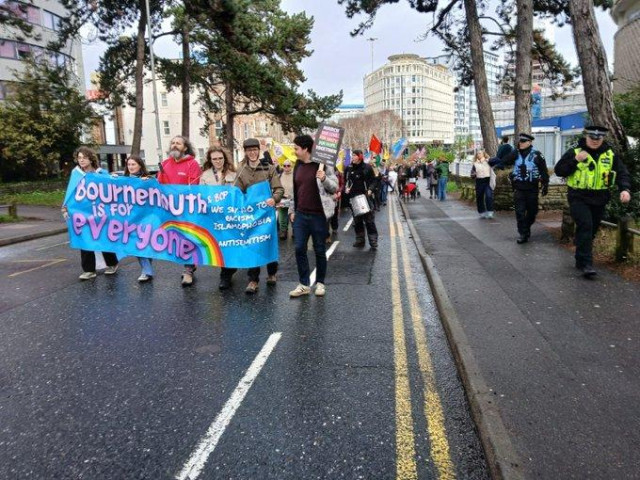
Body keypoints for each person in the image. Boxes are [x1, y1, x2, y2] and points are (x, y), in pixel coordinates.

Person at [554, 125, 632, 277]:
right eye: (592, 138)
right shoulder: (575, 151)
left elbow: (622, 173)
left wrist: (625, 189)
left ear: (602, 138)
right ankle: (587, 264)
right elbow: (559, 170)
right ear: (586, 137)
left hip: (600, 198)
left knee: (591, 230)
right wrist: (575, 160)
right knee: (586, 226)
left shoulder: (609, 154)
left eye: (599, 138)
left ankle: (580, 256)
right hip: (578, 197)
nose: (595, 141)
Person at [287, 134, 339, 298]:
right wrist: (292, 210)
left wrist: (324, 178)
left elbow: (334, 187)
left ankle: (320, 283)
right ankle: (304, 284)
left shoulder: (323, 164)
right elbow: (295, 191)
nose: (294, 151)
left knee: (319, 250)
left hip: (318, 216)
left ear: (305, 149)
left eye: (296, 148)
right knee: (299, 248)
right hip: (301, 215)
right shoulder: (298, 165)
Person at [233, 138, 284, 294]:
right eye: (249, 150)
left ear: (258, 151)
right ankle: (253, 280)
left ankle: (272, 273)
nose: (252, 153)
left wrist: (273, 198)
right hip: (250, 216)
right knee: (252, 245)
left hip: (267, 214)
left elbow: (279, 189)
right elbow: (236, 192)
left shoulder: (269, 168)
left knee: (269, 243)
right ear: (245, 152)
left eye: (255, 150)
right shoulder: (241, 170)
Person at [61, 147, 119, 280]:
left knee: (103, 238)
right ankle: (89, 270)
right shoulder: (76, 174)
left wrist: (114, 179)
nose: (81, 160)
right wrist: (65, 207)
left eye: (84, 158)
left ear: (91, 159)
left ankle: (112, 263)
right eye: (79, 158)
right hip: (82, 213)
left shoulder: (101, 173)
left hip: (100, 213)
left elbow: (111, 189)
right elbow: (71, 192)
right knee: (84, 239)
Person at [157, 135, 201, 286]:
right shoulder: (165, 164)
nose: (175, 145)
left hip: (186, 209)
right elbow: (159, 186)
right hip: (169, 210)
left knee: (187, 239)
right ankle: (191, 263)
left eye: (178, 143)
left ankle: (188, 271)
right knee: (177, 241)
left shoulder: (192, 164)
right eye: (173, 143)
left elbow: (194, 187)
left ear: (185, 148)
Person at [494, 133, 549, 244]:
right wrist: (497, 165)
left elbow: (544, 171)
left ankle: (526, 227)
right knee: (519, 212)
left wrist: (545, 184)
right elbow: (504, 161)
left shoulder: (537, 155)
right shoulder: (515, 154)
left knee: (532, 212)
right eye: (520, 141)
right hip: (519, 188)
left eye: (523, 141)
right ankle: (523, 234)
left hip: (532, 189)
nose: (521, 143)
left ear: (529, 142)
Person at [200, 147, 238, 290]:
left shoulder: (233, 175)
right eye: (214, 159)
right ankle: (226, 271)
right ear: (210, 160)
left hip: (230, 216)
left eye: (220, 158)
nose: (218, 161)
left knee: (229, 245)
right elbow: (201, 196)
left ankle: (226, 274)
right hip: (213, 217)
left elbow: (238, 194)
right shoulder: (204, 176)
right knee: (219, 246)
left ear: (225, 159)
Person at [124, 155, 154, 282]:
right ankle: (146, 270)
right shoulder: (123, 180)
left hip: (146, 218)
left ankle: (147, 269)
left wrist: (151, 182)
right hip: (130, 218)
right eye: (129, 164)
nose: (130, 167)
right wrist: (112, 180)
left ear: (140, 166)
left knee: (146, 244)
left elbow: (159, 192)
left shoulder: (147, 180)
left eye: (133, 164)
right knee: (136, 245)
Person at [344, 149, 378, 249]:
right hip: (353, 198)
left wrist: (371, 189)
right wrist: (346, 188)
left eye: (354, 155)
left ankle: (373, 241)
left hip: (365, 197)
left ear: (360, 156)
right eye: (352, 155)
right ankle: (360, 239)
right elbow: (347, 181)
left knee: (369, 221)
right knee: (357, 221)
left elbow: (375, 180)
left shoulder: (367, 167)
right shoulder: (348, 168)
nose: (352, 157)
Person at [471, 151, 495, 219]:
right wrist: (473, 175)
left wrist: (490, 159)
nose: (478, 154)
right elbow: (472, 174)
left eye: (480, 153)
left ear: (484, 154)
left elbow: (498, 160)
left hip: (487, 181)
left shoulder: (488, 162)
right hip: (479, 181)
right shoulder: (475, 164)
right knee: (479, 197)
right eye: (477, 153)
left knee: (488, 196)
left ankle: (490, 211)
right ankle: (482, 212)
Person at [276, 160, 294, 240]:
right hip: (282, 199)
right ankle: (283, 231)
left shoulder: (295, 175)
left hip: (292, 199)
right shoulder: (279, 175)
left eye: (288, 165)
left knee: (293, 216)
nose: (286, 167)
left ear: (291, 166)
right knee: (282, 217)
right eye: (284, 165)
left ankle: (295, 231)